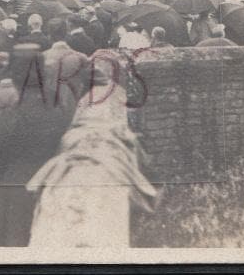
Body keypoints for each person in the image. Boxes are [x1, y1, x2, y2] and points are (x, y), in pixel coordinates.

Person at [27, 55, 157, 248]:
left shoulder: (83, 100)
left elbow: (71, 130)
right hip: (106, 152)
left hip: (81, 152)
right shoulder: (118, 96)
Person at [0, 45, 73, 246]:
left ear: (17, 75)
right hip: (53, 181)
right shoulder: (57, 103)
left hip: (17, 189)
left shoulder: (15, 111)